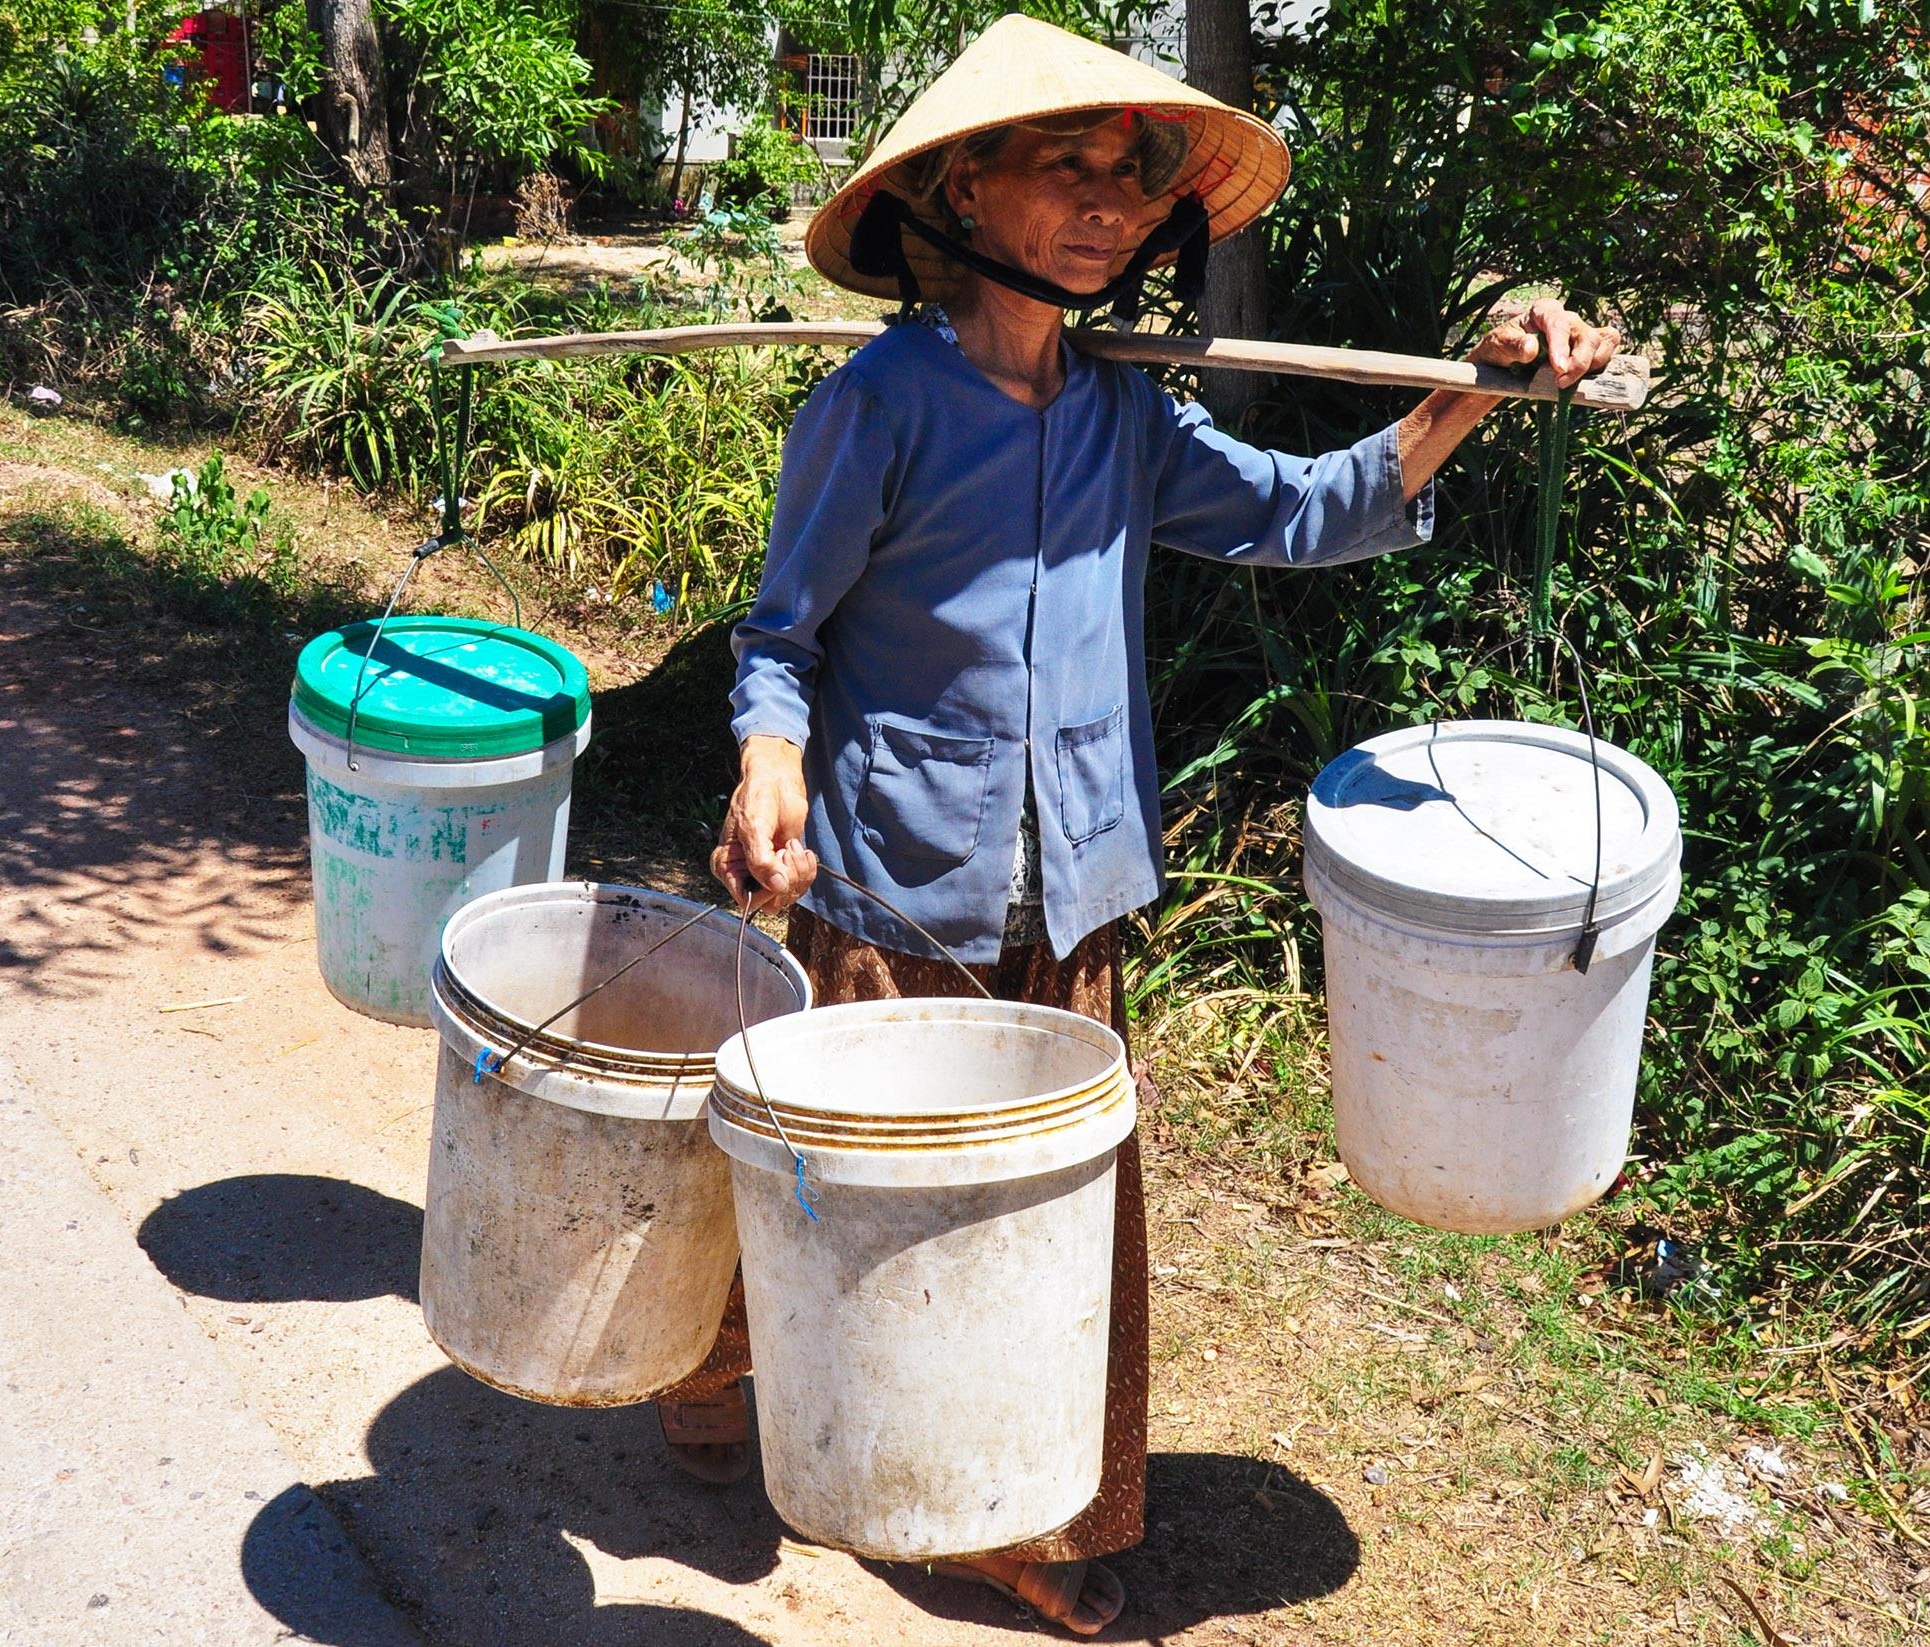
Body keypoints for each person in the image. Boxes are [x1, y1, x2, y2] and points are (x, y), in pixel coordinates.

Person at [663, 15, 1619, 1637]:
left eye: (1130, 178)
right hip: (902, 879)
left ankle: (1003, 1491)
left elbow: (1303, 511)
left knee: (1041, 1223)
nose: (1108, 204)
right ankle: (744, 1366)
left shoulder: (1128, 417)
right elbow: (781, 638)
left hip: (1077, 882)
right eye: (1067, 168)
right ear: (965, 189)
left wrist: (1476, 388)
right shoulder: (880, 406)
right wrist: (770, 770)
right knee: (863, 1187)